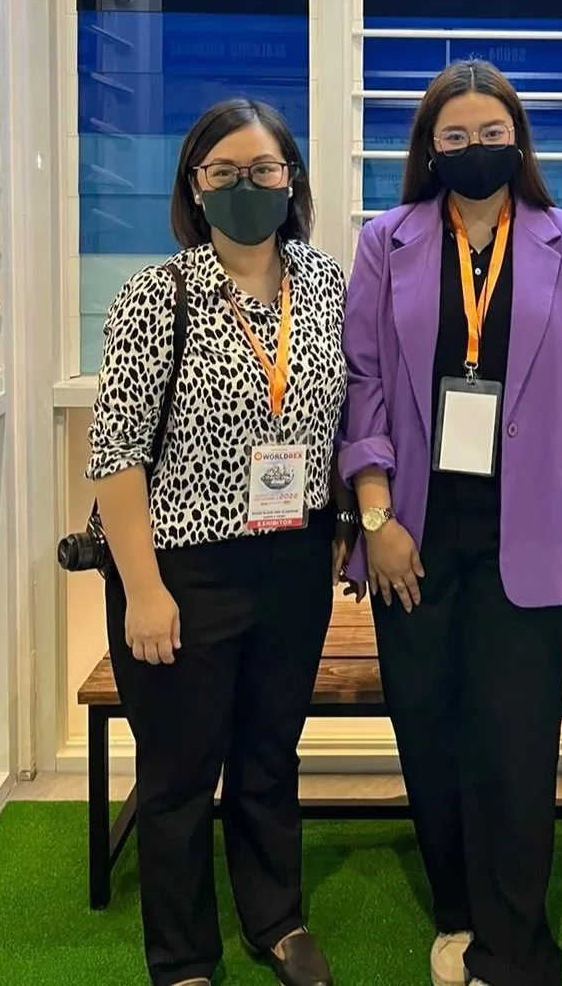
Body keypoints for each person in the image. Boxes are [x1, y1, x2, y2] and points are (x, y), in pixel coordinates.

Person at [338, 60, 562, 986]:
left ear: (518, 142)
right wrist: (374, 513)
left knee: (513, 737)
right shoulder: (386, 242)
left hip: (533, 527)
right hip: (412, 531)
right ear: (429, 147)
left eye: (489, 134)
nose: (472, 149)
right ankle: (456, 913)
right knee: (427, 728)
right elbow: (366, 381)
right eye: (453, 136)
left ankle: (516, 947)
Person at [87, 98, 354, 986]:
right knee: (177, 773)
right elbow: (116, 454)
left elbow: (341, 420)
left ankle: (275, 917)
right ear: (195, 189)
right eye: (224, 173)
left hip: (292, 561)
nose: (247, 187)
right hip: (180, 571)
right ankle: (182, 956)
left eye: (265, 171)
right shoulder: (153, 295)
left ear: (293, 181)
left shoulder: (324, 285)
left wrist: (346, 524)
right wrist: (146, 590)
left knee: (270, 755)